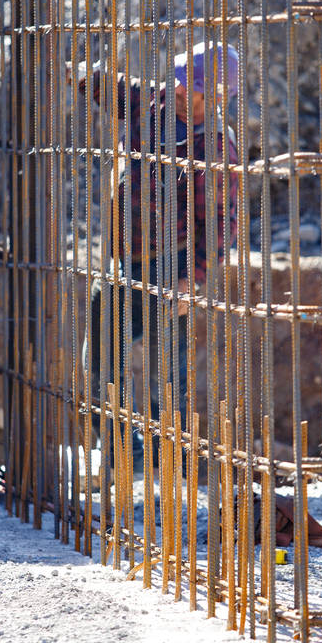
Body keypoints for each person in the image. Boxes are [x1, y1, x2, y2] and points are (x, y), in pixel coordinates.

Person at [75, 41, 240, 467]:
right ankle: (122, 450)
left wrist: (191, 279)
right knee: (99, 360)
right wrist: (87, 71)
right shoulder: (152, 102)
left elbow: (220, 225)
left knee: (167, 374)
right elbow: (99, 83)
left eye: (196, 90)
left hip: (171, 267)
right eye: (182, 83)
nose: (182, 93)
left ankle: (171, 462)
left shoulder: (215, 147)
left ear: (218, 97)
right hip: (121, 261)